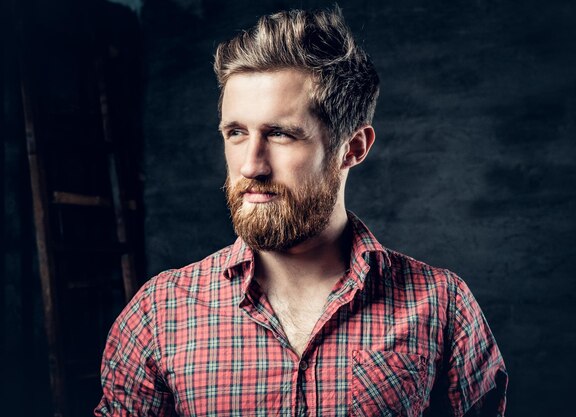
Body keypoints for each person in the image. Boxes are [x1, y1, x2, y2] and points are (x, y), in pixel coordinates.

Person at [96, 7, 507, 417]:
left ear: (353, 148)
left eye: (280, 134)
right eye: (236, 133)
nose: (251, 165)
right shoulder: (159, 313)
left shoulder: (441, 306)